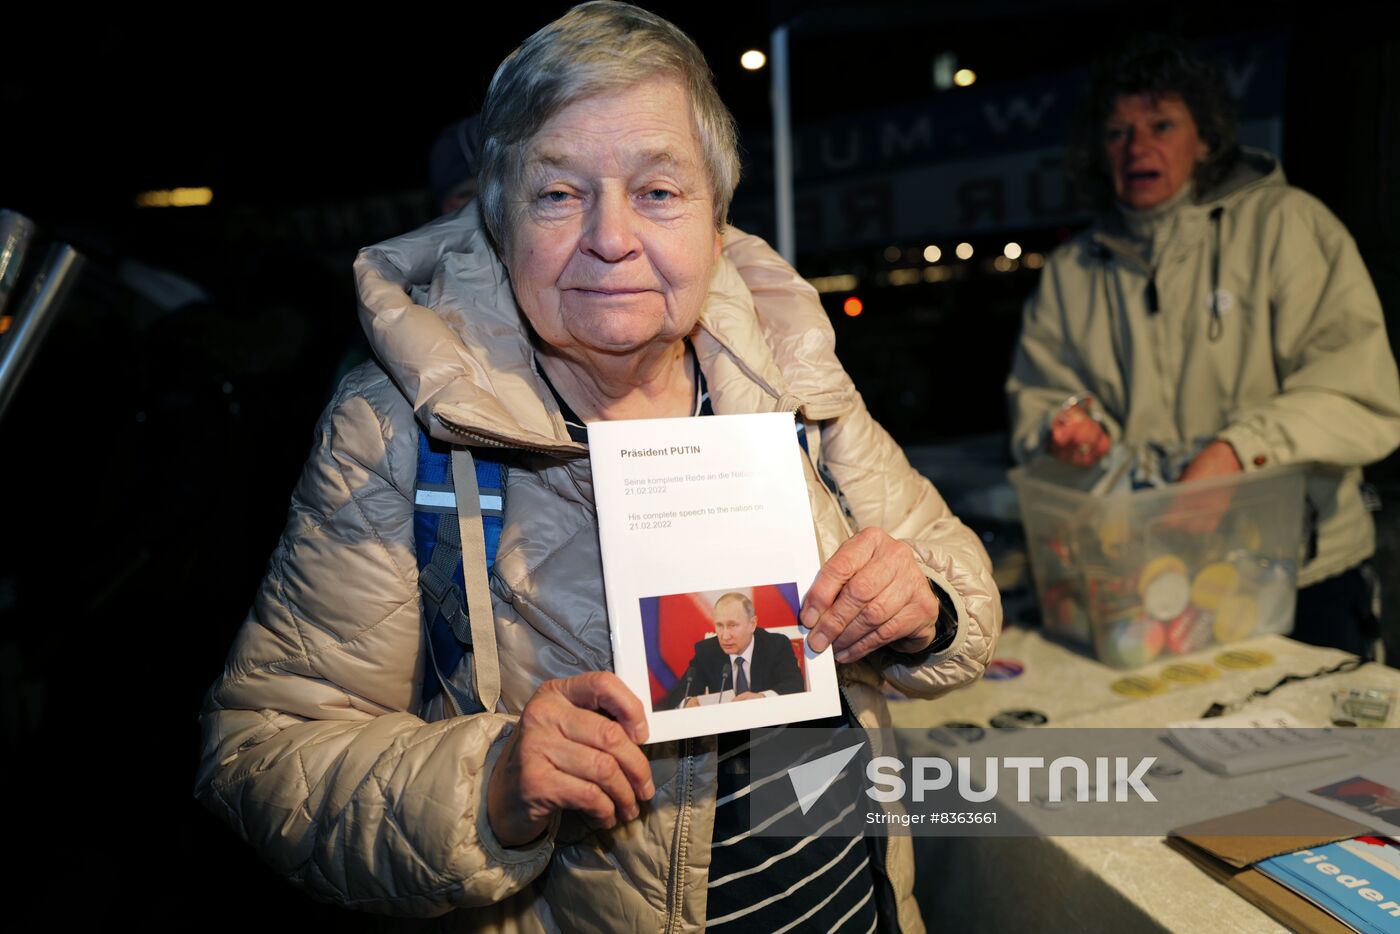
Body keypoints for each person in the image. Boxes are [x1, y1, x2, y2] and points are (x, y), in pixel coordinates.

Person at [196, 3, 1000, 930]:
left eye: (658, 192)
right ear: (500, 218)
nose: (611, 237)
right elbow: (259, 753)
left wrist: (922, 610)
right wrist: (488, 785)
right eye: (559, 194)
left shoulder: (786, 366)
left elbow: (957, 583)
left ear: (714, 217)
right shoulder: (397, 428)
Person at [1006, 36, 1400, 658]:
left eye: (1162, 125)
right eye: (1116, 133)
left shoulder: (1288, 225)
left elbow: (1359, 389)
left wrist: (1239, 453)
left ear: (1207, 139)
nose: (1137, 148)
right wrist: (1073, 430)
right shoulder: (1071, 270)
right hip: (1149, 580)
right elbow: (1044, 399)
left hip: (1300, 576)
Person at [660, 592, 806, 709]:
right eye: (719, 625)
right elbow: (678, 694)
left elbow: (794, 685)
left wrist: (761, 698)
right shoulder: (706, 651)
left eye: (732, 625)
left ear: (752, 624)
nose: (724, 636)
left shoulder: (776, 645)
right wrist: (687, 702)